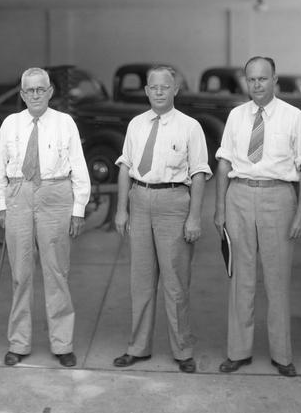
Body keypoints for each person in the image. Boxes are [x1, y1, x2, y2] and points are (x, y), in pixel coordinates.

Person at [213, 56, 301, 377]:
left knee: (277, 279)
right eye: (251, 79)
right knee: (241, 279)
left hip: (278, 197)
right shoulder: (235, 116)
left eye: (263, 79)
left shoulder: (294, 117)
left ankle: (282, 355)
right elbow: (224, 163)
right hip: (240, 196)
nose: (257, 85)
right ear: (246, 82)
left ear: (275, 81)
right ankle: (238, 351)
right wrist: (219, 209)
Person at [0, 67, 90, 368]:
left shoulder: (65, 123)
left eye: (40, 89)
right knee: (20, 273)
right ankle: (19, 343)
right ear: (22, 94)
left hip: (55, 194)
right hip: (18, 193)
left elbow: (79, 167)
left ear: (50, 92)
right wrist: (1, 204)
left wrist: (78, 209)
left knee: (56, 271)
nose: (35, 94)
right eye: (29, 90)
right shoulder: (10, 124)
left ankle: (62, 344)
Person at [112, 65, 212, 374]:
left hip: (173, 203)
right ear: (146, 90)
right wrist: (121, 209)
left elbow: (198, 174)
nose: (158, 92)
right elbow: (125, 167)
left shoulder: (190, 127)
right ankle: (138, 347)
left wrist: (194, 217)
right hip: (140, 200)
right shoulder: (136, 125)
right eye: (153, 87)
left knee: (175, 283)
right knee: (141, 282)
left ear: (175, 90)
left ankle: (182, 350)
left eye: (165, 87)